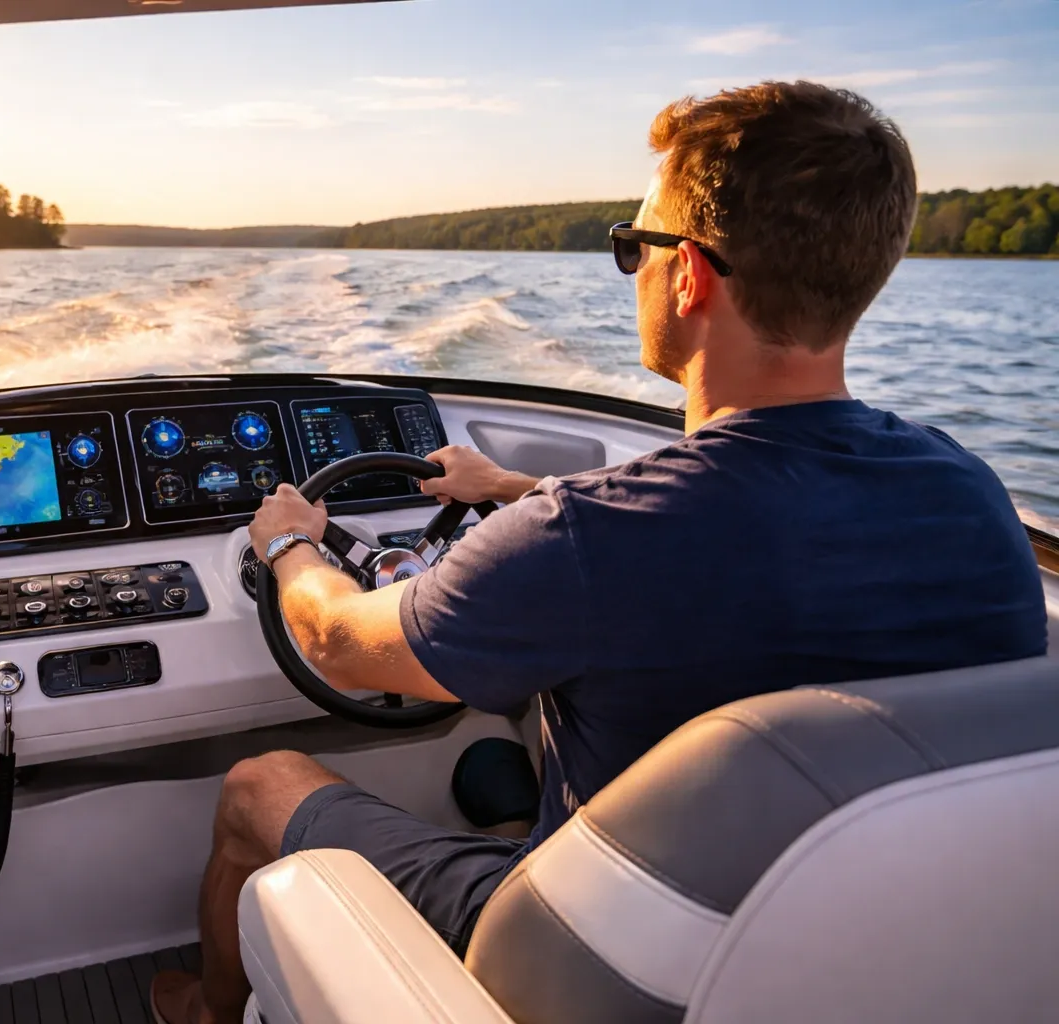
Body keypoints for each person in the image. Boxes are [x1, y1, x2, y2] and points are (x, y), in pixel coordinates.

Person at [150, 81, 1049, 1024]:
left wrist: (291, 541)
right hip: (854, 961)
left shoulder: (588, 538)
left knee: (260, 786)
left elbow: (336, 637)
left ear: (691, 274)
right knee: (503, 764)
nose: (635, 267)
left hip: (596, 975)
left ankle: (205, 1013)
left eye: (636, 246)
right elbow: (727, 537)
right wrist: (508, 492)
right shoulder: (973, 497)